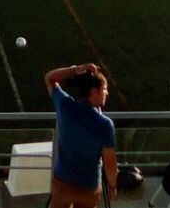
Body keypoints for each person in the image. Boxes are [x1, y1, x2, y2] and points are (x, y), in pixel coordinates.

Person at [44, 63, 117, 208]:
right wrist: (112, 186)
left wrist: (74, 70)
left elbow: (49, 78)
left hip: (62, 182)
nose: (107, 93)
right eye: (104, 89)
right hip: (88, 188)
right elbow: (109, 163)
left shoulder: (66, 106)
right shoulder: (104, 124)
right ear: (93, 92)